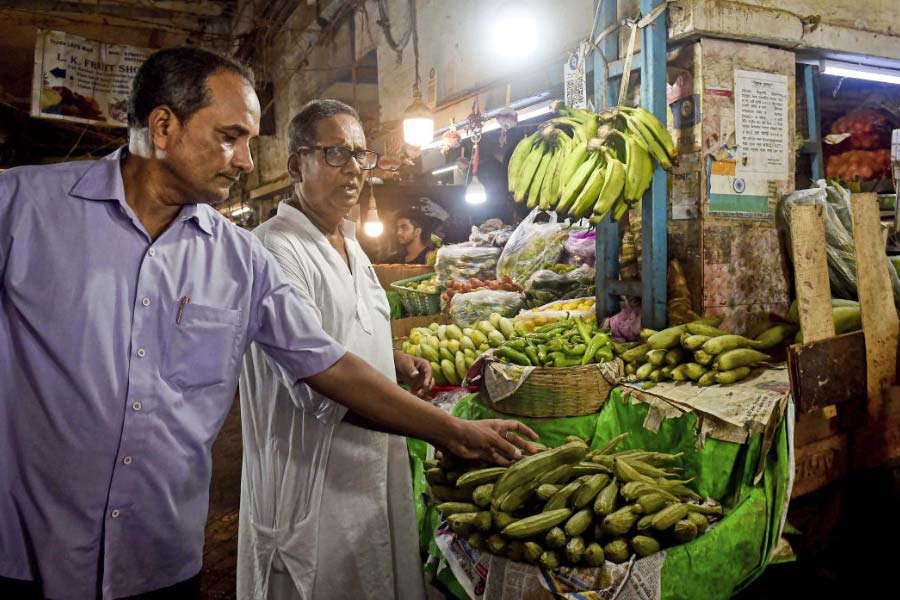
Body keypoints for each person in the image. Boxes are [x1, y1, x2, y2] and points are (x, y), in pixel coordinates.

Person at [0, 47, 537, 600]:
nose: (246, 162)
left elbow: (327, 364)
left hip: (156, 558)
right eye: (231, 137)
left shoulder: (238, 258)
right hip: (30, 553)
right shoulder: (21, 209)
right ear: (163, 126)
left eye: (251, 143)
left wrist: (456, 432)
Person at [239, 99, 435, 599]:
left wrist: (393, 360)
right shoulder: (274, 249)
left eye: (361, 156)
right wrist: (449, 431)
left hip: (372, 470)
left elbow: (347, 335)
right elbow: (322, 382)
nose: (353, 170)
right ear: (295, 165)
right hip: (314, 484)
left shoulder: (349, 243)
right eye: (335, 155)